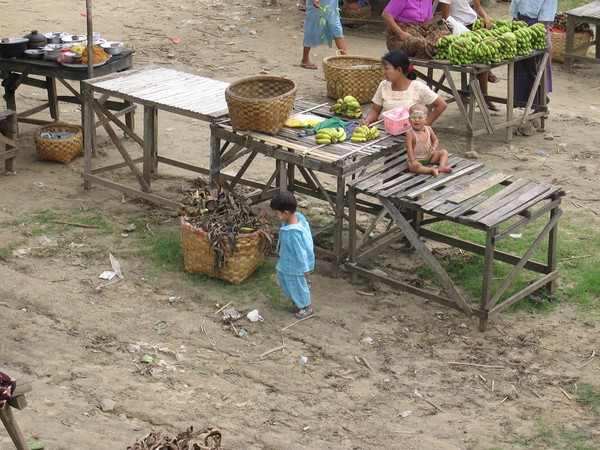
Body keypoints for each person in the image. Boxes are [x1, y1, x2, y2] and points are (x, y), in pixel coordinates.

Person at [439, 0, 500, 111]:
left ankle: (478, 92)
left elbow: (477, 6)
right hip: (457, 26)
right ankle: (484, 96)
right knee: (481, 59)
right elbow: (445, 17)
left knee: (487, 52)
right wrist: (456, 33)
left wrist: (486, 17)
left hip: (473, 23)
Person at [361, 50, 447, 126]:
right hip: (387, 130)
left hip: (410, 134)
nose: (383, 72)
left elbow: (441, 105)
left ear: (398, 70)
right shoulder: (384, 85)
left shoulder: (418, 87)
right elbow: (375, 110)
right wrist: (367, 120)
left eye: (386, 69)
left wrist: (426, 125)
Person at [509, 0, 557, 127]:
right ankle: (525, 104)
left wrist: (530, 36)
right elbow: (515, 14)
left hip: (538, 31)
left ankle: (539, 108)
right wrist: (513, 32)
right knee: (522, 70)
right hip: (520, 29)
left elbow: (542, 22)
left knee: (538, 70)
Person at [270, 191, 317, 319]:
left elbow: (300, 252)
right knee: (282, 276)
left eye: (277, 214)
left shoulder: (293, 232)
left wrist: (305, 268)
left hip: (295, 265)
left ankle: (307, 308)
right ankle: (298, 300)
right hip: (287, 260)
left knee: (297, 285)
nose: (276, 216)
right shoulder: (297, 218)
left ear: (286, 213)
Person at [382, 0, 449, 59]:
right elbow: (386, 15)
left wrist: (426, 34)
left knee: (446, 36)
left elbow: (426, 22)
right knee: (420, 43)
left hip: (419, 31)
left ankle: (431, 46)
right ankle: (432, 47)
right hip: (399, 37)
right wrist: (401, 33)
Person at [406, 104, 453, 177]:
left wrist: (434, 148)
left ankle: (441, 167)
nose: (417, 120)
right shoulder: (410, 133)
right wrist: (413, 161)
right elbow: (409, 148)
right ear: (409, 120)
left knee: (444, 152)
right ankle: (431, 170)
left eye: (420, 117)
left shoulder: (429, 129)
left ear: (426, 120)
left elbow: (435, 140)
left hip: (430, 157)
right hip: (418, 160)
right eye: (414, 117)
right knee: (411, 166)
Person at [301, 0, 348, 69]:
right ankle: (305, 59)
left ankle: (347, 59)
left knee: (337, 29)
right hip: (318, 4)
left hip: (332, 4)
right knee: (312, 28)